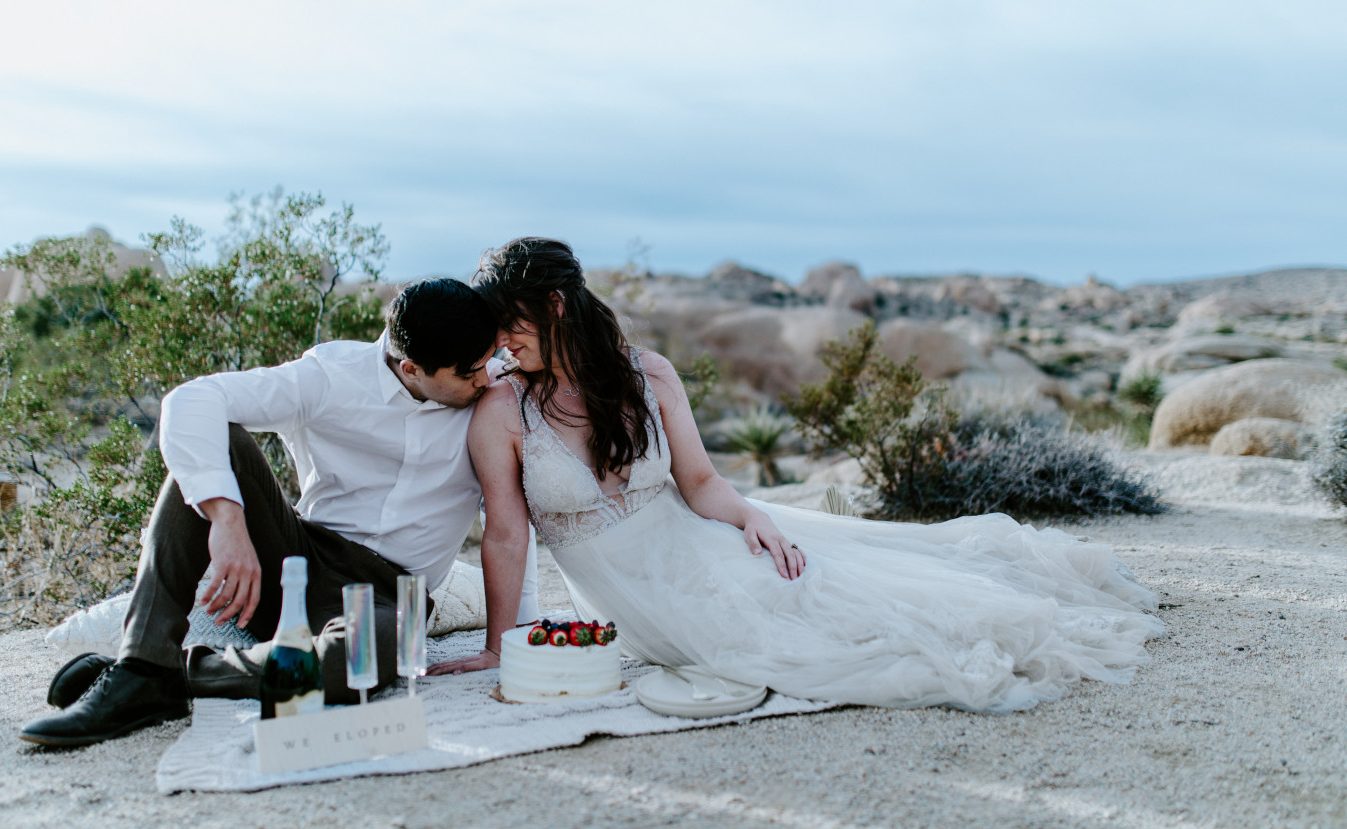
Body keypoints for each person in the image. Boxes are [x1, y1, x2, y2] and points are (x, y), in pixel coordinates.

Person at [429, 239, 1163, 713]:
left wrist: (755, 518)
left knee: (812, 597)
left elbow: (703, 481)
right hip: (635, 594)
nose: (499, 340)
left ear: (554, 305)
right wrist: (501, 643)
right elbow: (504, 534)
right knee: (770, 634)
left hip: (696, 540)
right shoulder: (503, 409)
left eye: (509, 323)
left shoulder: (646, 374)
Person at [20, 278, 540, 747]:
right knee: (216, 438)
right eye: (469, 372)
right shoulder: (331, 376)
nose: (485, 377)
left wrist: (503, 644)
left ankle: (164, 676)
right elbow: (192, 400)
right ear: (411, 368)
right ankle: (141, 660)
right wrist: (227, 520)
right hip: (299, 558)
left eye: (488, 361)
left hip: (392, 594)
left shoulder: (492, 397)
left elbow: (509, 529)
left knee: (361, 662)